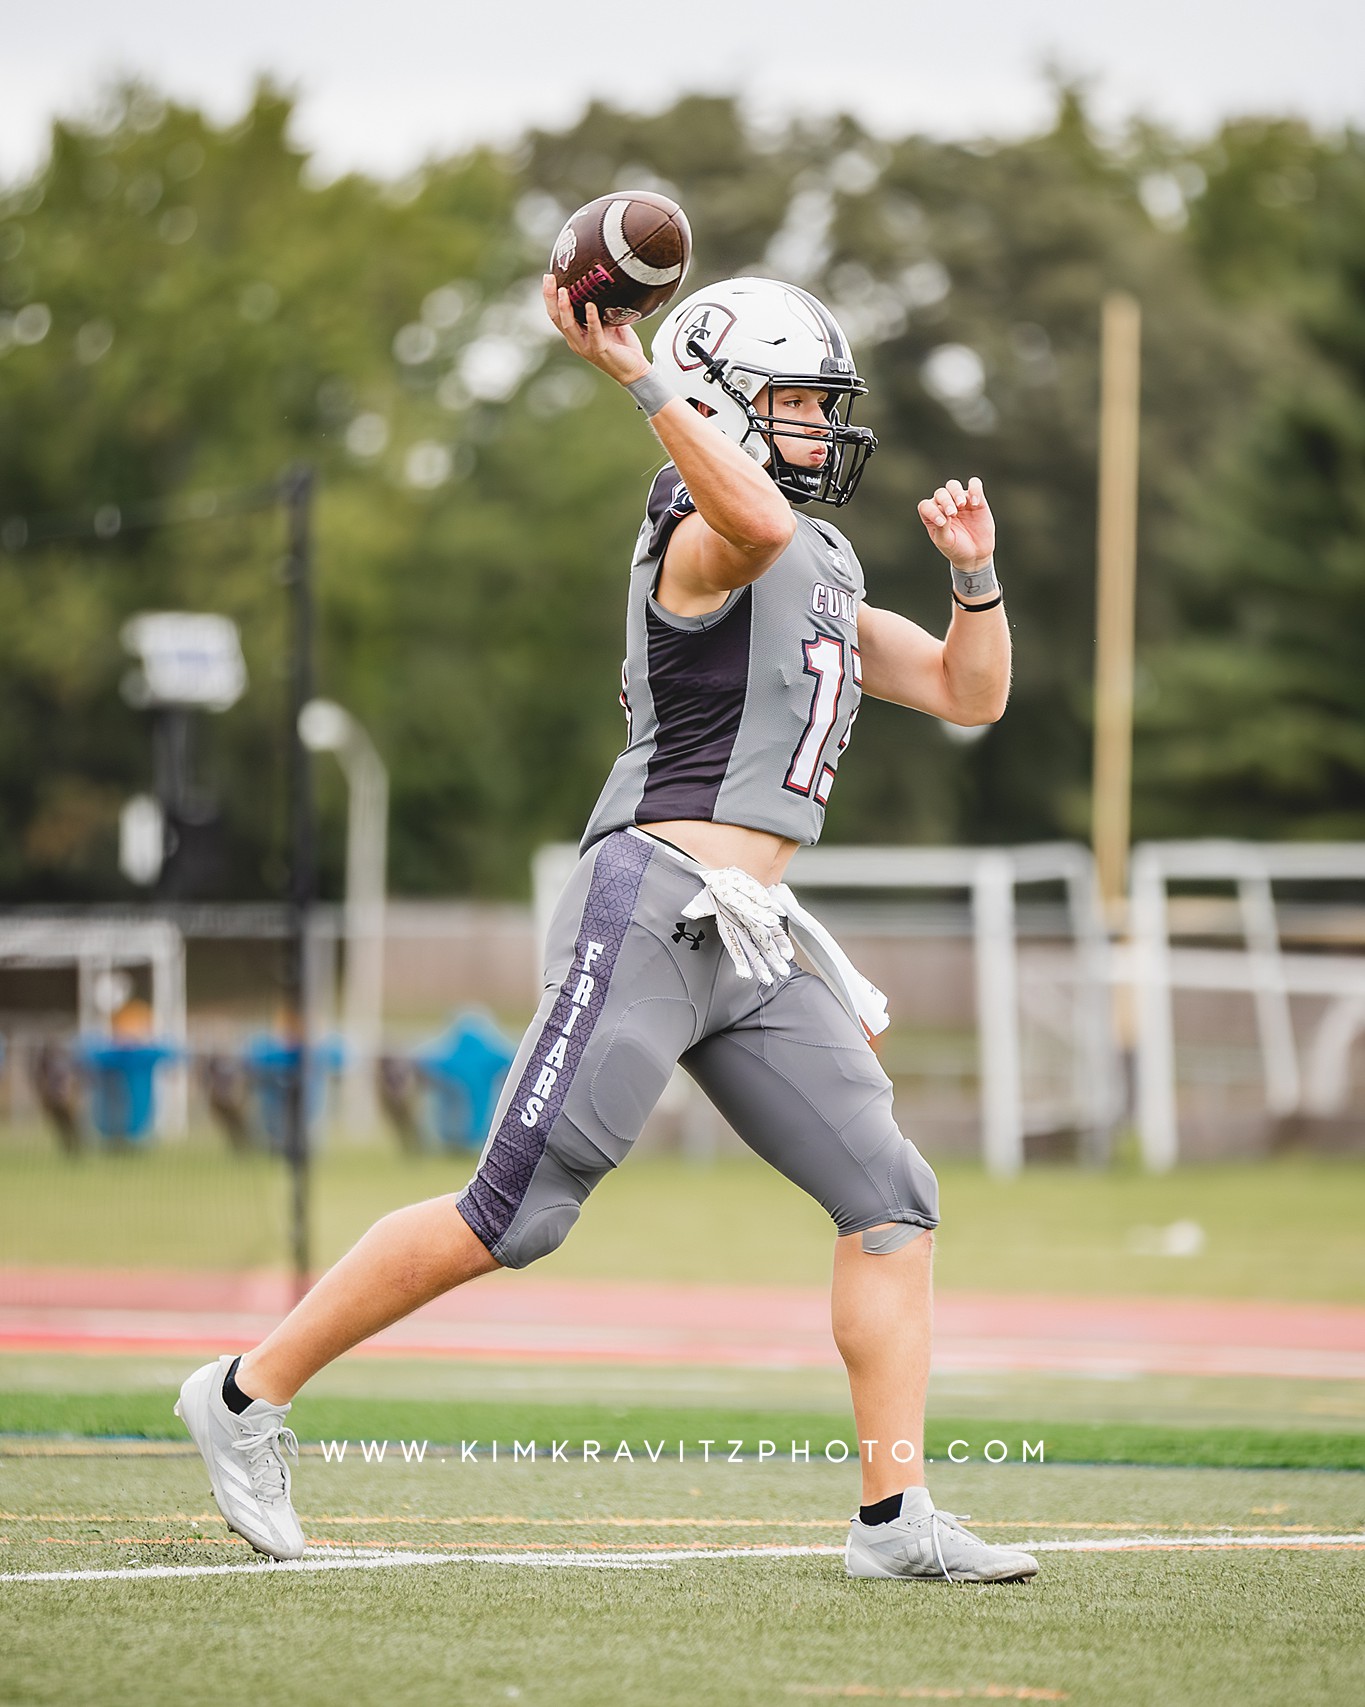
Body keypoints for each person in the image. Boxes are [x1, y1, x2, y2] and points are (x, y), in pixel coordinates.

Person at [175, 271, 1037, 1586]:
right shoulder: (699, 528)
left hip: (751, 935)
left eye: (818, 405)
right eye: (793, 404)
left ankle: (893, 1518)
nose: (817, 429)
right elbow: (741, 514)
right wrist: (640, 377)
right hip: (650, 900)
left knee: (889, 1203)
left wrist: (974, 582)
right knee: (512, 1216)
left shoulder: (812, 556)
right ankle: (243, 1393)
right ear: (723, 406)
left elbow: (966, 695)